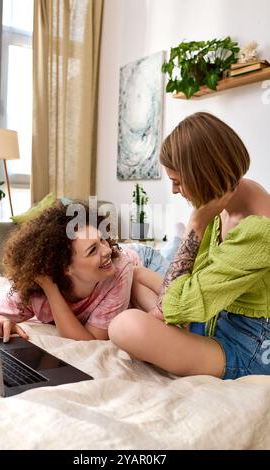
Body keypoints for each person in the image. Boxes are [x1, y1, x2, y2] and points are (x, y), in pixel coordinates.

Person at [108, 111, 270, 380]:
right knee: (134, 274)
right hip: (210, 311)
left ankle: (171, 338)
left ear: (204, 176)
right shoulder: (227, 199)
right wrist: (164, 313)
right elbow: (188, 280)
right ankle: (172, 335)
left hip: (248, 344)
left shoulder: (259, 231)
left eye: (178, 182)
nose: (174, 190)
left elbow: (177, 300)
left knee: (125, 327)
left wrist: (196, 224)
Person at [0, 200, 173, 342]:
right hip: (123, 272)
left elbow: (91, 338)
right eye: (92, 250)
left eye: (102, 240)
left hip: (144, 259)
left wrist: (52, 290)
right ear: (65, 268)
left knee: (172, 285)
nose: (107, 250)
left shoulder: (118, 269)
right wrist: (0, 320)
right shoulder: (39, 284)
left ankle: (175, 243)